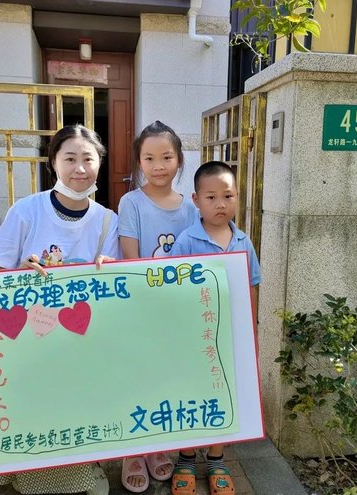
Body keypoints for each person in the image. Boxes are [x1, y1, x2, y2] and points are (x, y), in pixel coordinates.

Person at [0, 124, 118, 495]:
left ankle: (86, 473)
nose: (80, 169)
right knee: (36, 407)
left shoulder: (108, 220)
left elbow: (114, 291)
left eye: (88, 159)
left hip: (80, 338)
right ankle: (28, 477)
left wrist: (110, 268)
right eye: (69, 158)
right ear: (53, 162)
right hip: (30, 336)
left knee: (79, 405)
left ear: (100, 163)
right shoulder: (27, 210)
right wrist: (19, 272)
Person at [167, 160, 260, 495]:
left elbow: (251, 286)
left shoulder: (243, 241)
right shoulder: (186, 241)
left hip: (230, 338)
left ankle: (217, 458)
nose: (221, 204)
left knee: (225, 395)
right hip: (195, 337)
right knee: (192, 394)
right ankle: (186, 458)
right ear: (196, 200)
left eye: (228, 195)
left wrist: (251, 333)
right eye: (211, 197)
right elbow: (172, 289)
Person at [117, 121, 198, 492]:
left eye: (166, 157)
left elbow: (198, 258)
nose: (158, 165)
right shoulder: (131, 202)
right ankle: (133, 451)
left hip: (178, 311)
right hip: (142, 307)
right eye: (149, 158)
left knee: (168, 378)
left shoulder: (192, 207)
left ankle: (158, 446)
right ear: (139, 162)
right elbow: (130, 259)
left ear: (179, 159)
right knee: (138, 375)